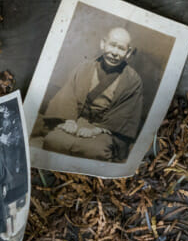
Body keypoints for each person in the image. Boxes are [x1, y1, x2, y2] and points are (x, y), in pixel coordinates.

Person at [39, 26, 144, 162]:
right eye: (112, 45)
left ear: (128, 53)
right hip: (76, 120)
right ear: (103, 44)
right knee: (53, 141)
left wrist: (96, 130)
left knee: (94, 152)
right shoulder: (84, 67)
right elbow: (68, 95)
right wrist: (69, 120)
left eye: (121, 48)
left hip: (105, 128)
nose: (114, 52)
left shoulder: (132, 80)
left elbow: (125, 113)